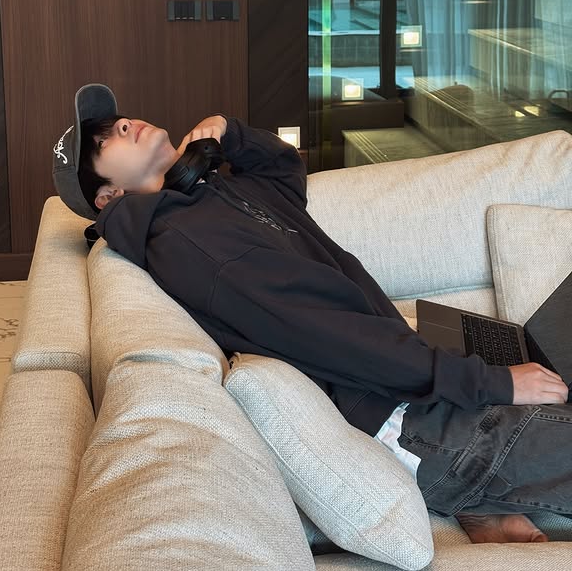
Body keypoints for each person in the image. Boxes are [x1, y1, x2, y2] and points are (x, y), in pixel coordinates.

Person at [52, 83, 571, 546]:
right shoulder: (186, 243)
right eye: (105, 141)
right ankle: (465, 485)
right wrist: (490, 382)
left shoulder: (210, 194)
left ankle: (480, 499)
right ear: (109, 196)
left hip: (416, 390)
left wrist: (231, 134)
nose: (125, 124)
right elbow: (332, 335)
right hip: (415, 423)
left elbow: (282, 173)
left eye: (117, 121)